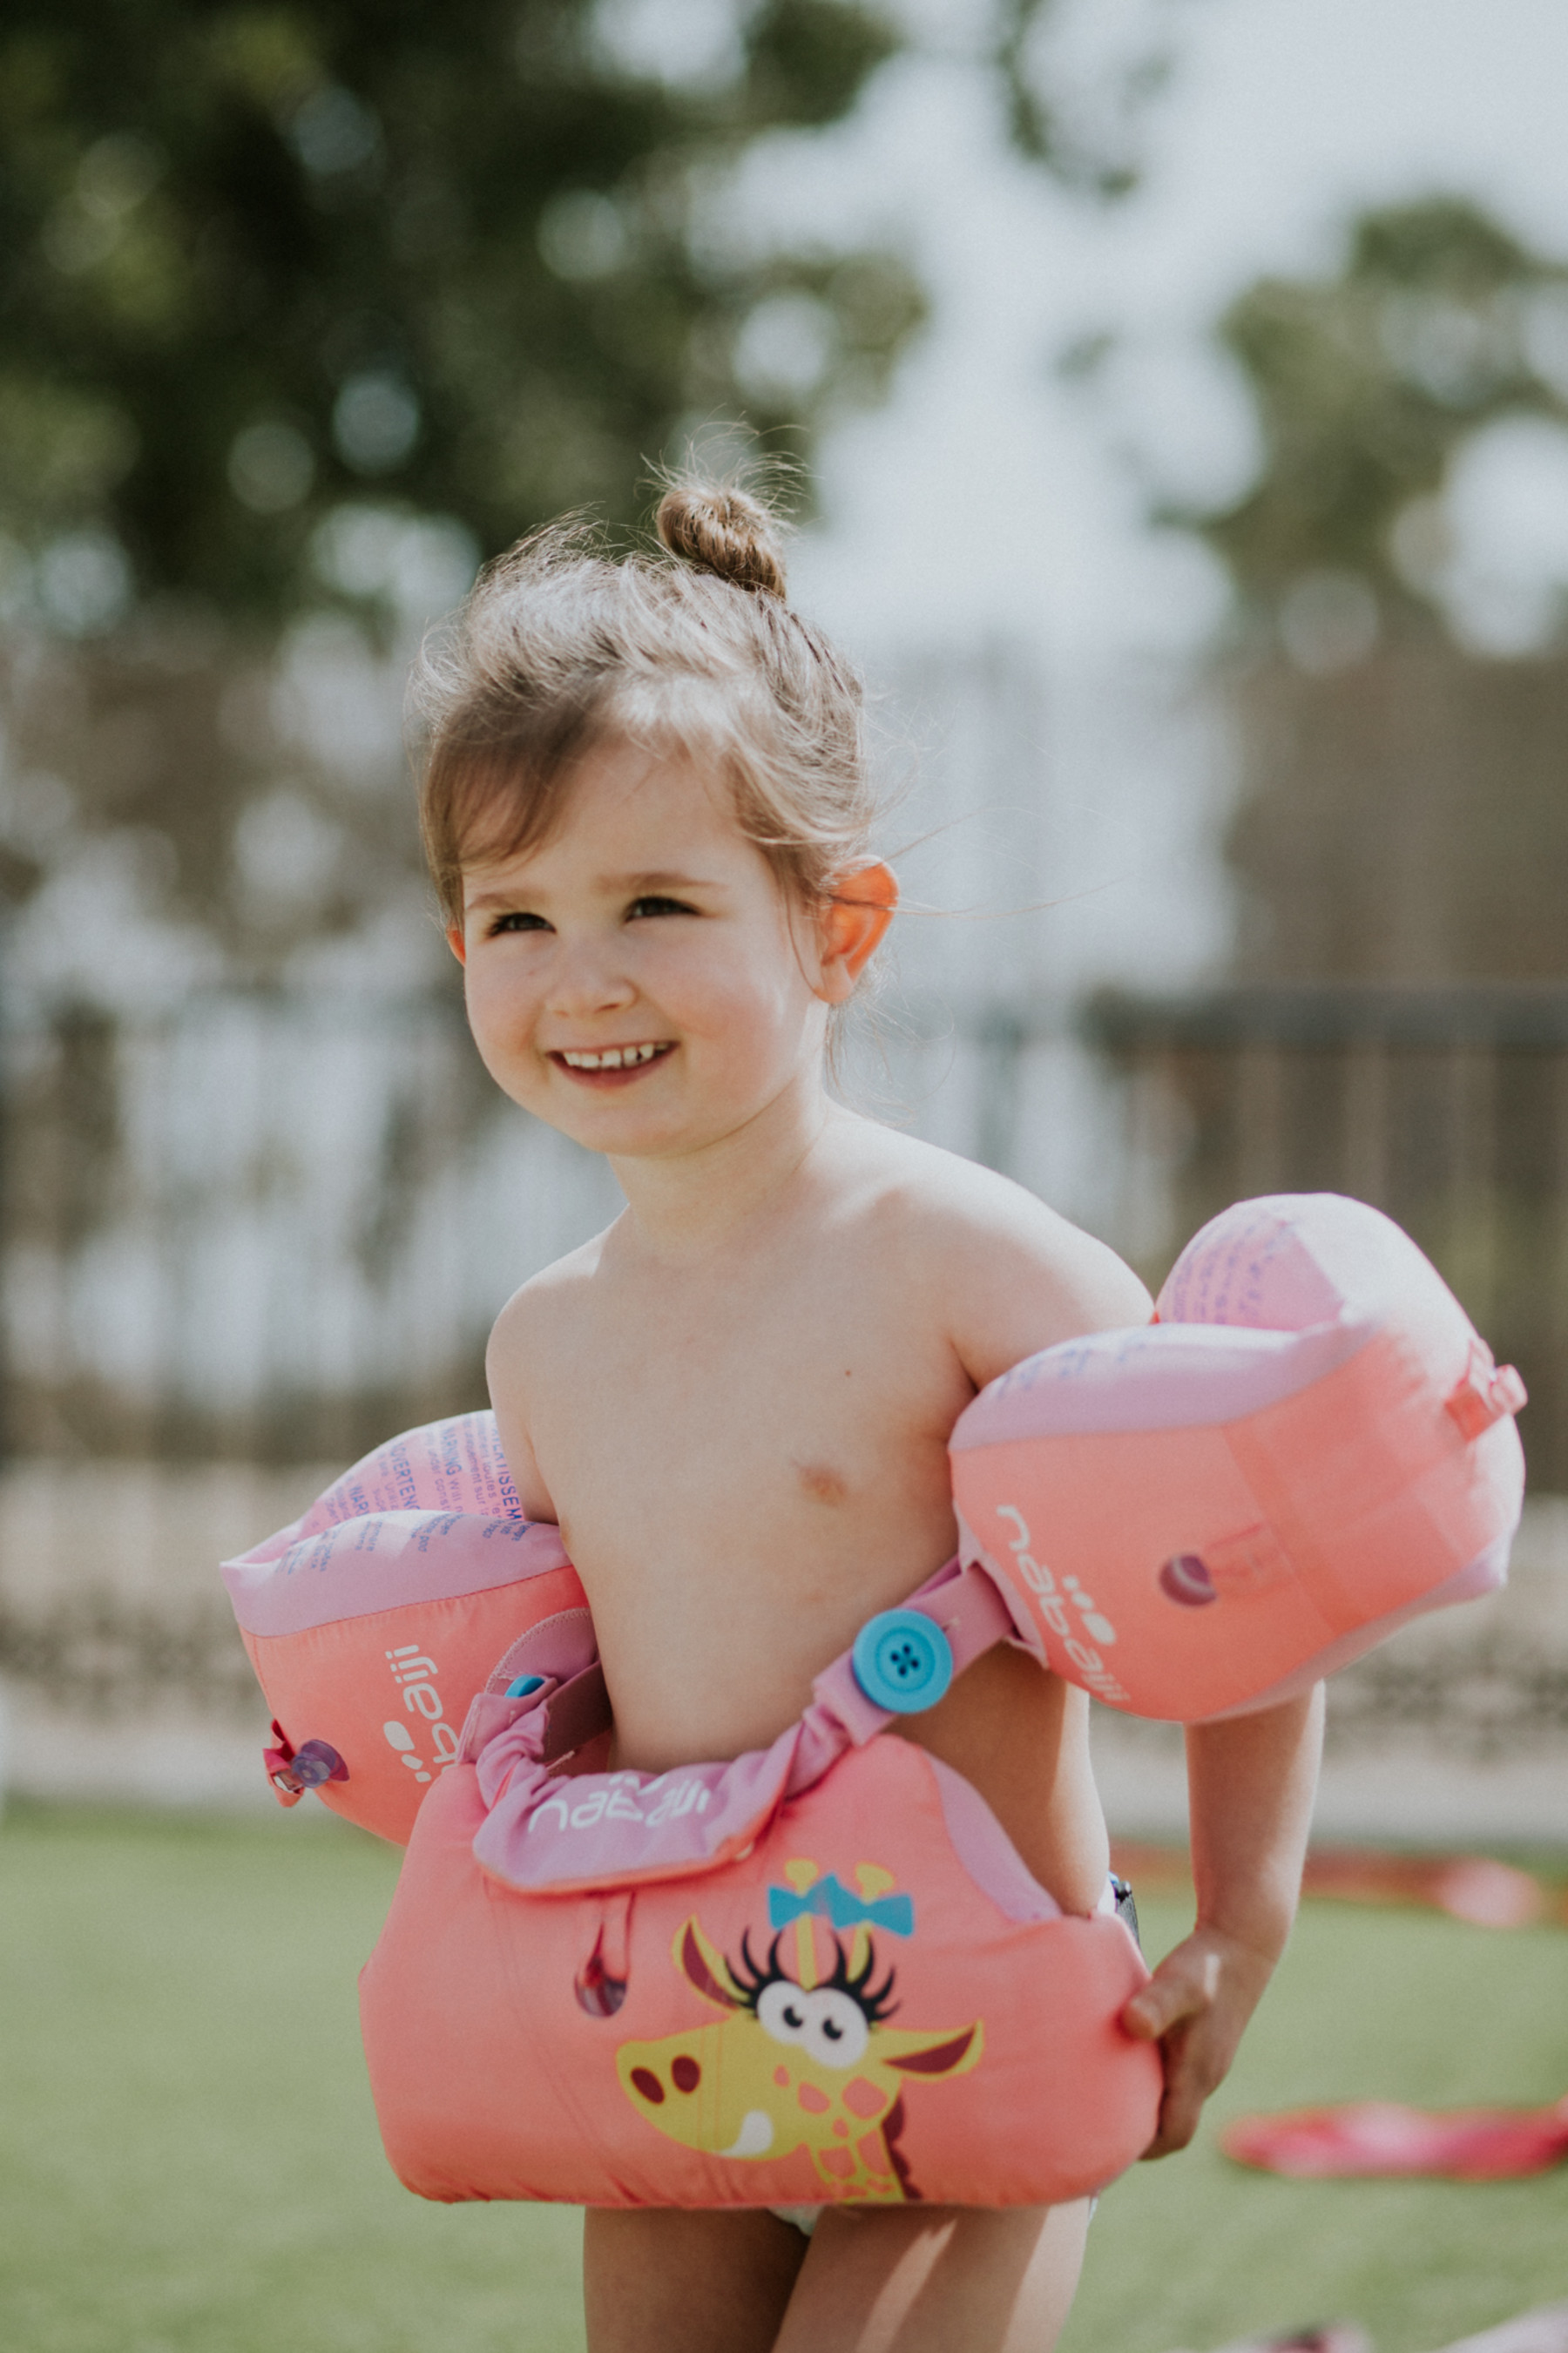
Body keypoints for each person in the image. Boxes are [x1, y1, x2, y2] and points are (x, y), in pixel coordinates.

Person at [416, 481, 1324, 2353]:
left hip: (969, 2018)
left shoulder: (963, 1260)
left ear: (838, 928)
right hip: (674, 2003)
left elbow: (1251, 1566)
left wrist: (1243, 1916)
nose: (582, 974)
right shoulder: (546, 1342)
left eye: (656, 903)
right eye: (517, 917)